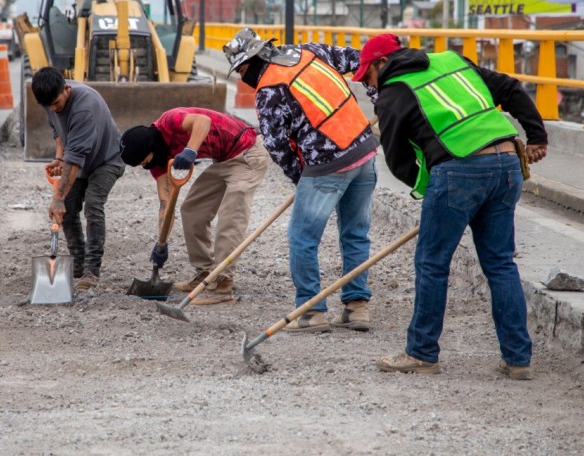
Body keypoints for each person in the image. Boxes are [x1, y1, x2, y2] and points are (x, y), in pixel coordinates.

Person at [353, 33, 548, 379]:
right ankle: (518, 359)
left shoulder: (392, 94)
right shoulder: (452, 61)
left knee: (432, 263)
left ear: (382, 63)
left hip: (458, 169)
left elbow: (400, 163)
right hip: (506, 162)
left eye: (367, 75)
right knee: (500, 264)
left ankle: (422, 352)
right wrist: (537, 136)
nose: (368, 84)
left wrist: (437, 193)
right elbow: (510, 88)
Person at [223, 27, 379, 332]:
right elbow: (362, 62)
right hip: (364, 150)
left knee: (302, 237)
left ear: (253, 59)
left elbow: (276, 144)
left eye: (242, 69)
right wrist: (378, 100)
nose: (243, 76)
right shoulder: (310, 52)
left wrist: (300, 177)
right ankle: (356, 308)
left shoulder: (268, 88)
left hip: (327, 164)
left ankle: (310, 311)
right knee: (355, 233)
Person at [119, 107, 271, 305]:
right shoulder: (157, 162)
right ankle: (206, 273)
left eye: (144, 161)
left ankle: (223, 284)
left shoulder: (170, 121)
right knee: (192, 210)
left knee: (231, 216)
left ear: (151, 147)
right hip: (224, 160)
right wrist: (161, 242)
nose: (145, 166)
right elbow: (166, 203)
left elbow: (202, 121)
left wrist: (190, 150)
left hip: (248, 152)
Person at [31, 67, 125, 291]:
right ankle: (78, 262)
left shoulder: (85, 107)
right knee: (70, 207)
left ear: (67, 89)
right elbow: (58, 132)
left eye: (56, 104)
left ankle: (91, 270)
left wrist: (57, 197)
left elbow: (75, 162)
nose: (53, 109)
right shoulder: (49, 97)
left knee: (93, 204)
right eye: (49, 106)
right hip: (79, 159)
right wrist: (59, 157)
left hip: (107, 159)